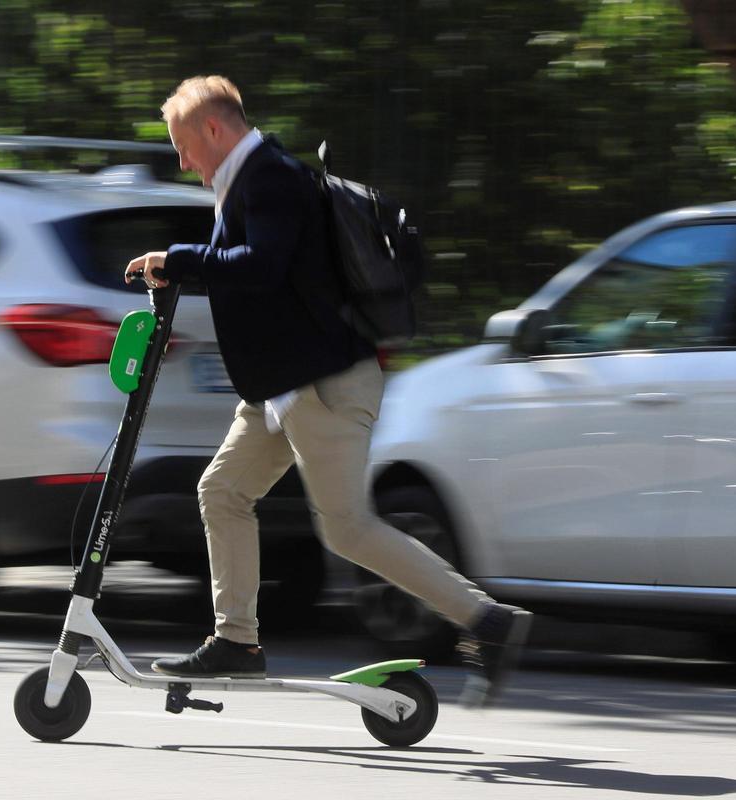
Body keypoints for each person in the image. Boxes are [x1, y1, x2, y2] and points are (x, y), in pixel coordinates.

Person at [125, 75, 532, 708]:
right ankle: (236, 640)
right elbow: (260, 275)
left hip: (324, 388)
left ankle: (487, 620)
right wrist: (179, 265)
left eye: (182, 144)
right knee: (223, 491)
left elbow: (259, 267)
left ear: (213, 130)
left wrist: (178, 260)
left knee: (347, 529)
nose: (181, 161)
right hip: (282, 390)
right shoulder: (248, 181)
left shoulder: (273, 178)